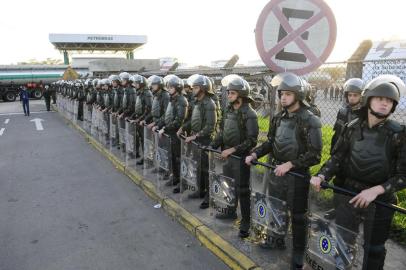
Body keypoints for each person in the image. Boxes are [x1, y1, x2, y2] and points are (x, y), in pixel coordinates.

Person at [310, 75, 406, 270]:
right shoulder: (351, 128)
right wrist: (322, 175)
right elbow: (337, 158)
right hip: (349, 194)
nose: (384, 103)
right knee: (345, 238)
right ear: (369, 99)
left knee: (375, 248)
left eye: (389, 101)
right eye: (380, 98)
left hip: (379, 201)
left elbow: (403, 176)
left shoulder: (399, 134)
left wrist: (376, 191)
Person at [245, 72, 322, 269]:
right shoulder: (278, 117)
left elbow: (315, 154)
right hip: (276, 171)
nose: (283, 97)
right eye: (281, 94)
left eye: (288, 94)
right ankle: (275, 238)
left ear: (299, 95)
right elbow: (271, 142)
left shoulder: (310, 120)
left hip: (296, 176)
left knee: (297, 215)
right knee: (276, 207)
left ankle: (298, 251)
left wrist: (290, 164)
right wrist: (255, 153)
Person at [210, 75, 258, 238]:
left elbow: (252, 140)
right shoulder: (229, 109)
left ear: (241, 94)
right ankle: (230, 211)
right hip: (228, 157)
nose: (228, 95)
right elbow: (223, 131)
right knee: (228, 185)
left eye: (232, 93)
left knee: (243, 190)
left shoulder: (249, 114)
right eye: (228, 92)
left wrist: (232, 150)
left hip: (241, 158)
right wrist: (213, 145)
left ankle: (246, 222)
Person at [324, 78, 364, 219]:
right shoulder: (342, 111)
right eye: (350, 95)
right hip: (340, 153)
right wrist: (333, 151)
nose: (352, 98)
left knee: (352, 186)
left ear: (362, 96)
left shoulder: (365, 114)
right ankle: (337, 209)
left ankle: (355, 214)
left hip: (355, 155)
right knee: (338, 183)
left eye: (356, 95)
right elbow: (337, 133)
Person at [177, 74, 217, 209]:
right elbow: (192, 121)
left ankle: (209, 196)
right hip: (195, 140)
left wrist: (195, 136)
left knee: (207, 170)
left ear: (203, 89)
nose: (193, 89)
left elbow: (210, 126)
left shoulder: (209, 104)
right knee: (197, 167)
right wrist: (183, 128)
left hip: (205, 140)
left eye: (196, 87)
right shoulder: (196, 103)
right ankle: (200, 190)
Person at [155, 75, 188, 189]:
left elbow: (179, 120)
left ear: (177, 88)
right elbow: (166, 115)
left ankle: (182, 182)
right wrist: (158, 125)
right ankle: (175, 178)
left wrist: (165, 128)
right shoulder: (172, 99)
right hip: (170, 133)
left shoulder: (182, 101)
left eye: (171, 87)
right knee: (172, 157)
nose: (168, 89)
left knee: (178, 158)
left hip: (176, 134)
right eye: (168, 87)